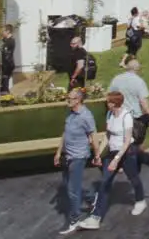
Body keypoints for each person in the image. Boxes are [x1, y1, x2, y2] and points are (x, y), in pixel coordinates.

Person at [77, 91, 145, 230]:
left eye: (107, 101)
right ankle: (95, 218)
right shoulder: (110, 115)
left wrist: (116, 160)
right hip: (113, 152)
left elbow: (126, 142)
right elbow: (108, 136)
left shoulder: (126, 117)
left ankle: (140, 200)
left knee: (134, 178)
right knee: (105, 183)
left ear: (114, 103)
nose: (106, 104)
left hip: (127, 153)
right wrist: (98, 154)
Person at [53, 88, 101, 235]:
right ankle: (92, 198)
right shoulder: (71, 113)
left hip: (78, 157)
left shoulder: (86, 116)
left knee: (72, 191)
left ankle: (75, 220)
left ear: (78, 100)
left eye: (71, 98)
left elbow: (93, 136)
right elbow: (65, 132)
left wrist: (97, 155)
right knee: (69, 185)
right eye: (68, 98)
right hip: (67, 156)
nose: (68, 100)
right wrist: (58, 151)